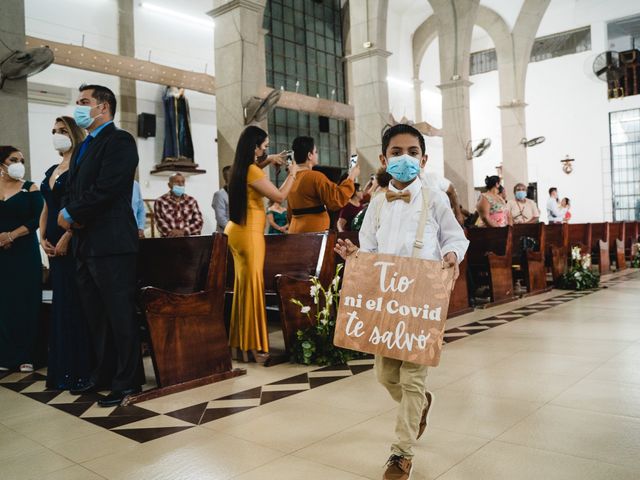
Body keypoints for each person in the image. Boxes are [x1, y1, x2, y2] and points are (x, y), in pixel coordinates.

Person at [334, 124, 468, 480]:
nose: (404, 158)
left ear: (423, 160)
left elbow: (455, 236)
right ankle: (421, 404)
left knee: (412, 377)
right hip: (387, 301)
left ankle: (401, 454)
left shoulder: (435, 199)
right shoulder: (376, 205)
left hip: (422, 299)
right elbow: (370, 250)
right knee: (384, 375)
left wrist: (453, 254)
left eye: (412, 152)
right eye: (396, 152)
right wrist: (354, 255)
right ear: (383, 158)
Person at [58, 84, 143, 407]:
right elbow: (74, 188)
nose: (79, 107)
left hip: (112, 244)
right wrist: (72, 214)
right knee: (96, 315)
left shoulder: (119, 141)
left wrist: (72, 213)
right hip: (85, 242)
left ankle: (127, 380)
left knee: (119, 314)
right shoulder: (84, 147)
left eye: (84, 102)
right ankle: (104, 374)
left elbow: (109, 188)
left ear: (103, 107)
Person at [225, 126, 299, 364]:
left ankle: (240, 344)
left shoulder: (240, 168)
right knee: (253, 288)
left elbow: (256, 170)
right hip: (250, 234)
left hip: (236, 231)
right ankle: (255, 346)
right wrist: (293, 174)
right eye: (264, 147)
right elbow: (278, 196)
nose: (266, 150)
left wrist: (270, 159)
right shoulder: (252, 171)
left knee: (243, 289)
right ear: (254, 147)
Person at [39, 117, 93, 390]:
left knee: (76, 303)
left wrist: (69, 235)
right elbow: (46, 206)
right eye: (54, 131)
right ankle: (62, 369)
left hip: (73, 242)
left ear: (73, 133)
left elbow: (82, 205)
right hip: (51, 243)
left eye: (62, 131)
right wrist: (41, 236)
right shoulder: (52, 168)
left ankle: (81, 369)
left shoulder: (81, 166)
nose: (57, 135)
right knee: (61, 303)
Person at [0, 146, 44, 373]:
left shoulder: (30, 188)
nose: (19, 163)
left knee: (26, 301)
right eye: (13, 159)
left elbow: (37, 218)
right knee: (4, 303)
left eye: (22, 160)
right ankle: (6, 355)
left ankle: (27, 354)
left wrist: (11, 235)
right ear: (1, 163)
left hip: (24, 251)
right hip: (0, 253)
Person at [286, 136, 358, 233]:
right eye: (315, 152)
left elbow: (289, 213)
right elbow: (336, 199)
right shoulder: (315, 177)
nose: (317, 154)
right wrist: (351, 177)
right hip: (313, 232)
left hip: (294, 229)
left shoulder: (290, 179)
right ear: (309, 155)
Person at [154, 173, 203, 237]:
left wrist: (184, 232)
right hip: (169, 240)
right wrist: (172, 233)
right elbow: (159, 222)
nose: (180, 184)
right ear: (169, 185)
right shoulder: (160, 201)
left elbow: (199, 221)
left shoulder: (191, 201)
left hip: (189, 240)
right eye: (177, 182)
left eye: (183, 182)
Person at [212, 165, 231, 232]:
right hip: (226, 233)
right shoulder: (219, 195)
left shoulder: (239, 193)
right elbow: (221, 218)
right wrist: (234, 230)